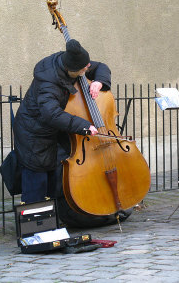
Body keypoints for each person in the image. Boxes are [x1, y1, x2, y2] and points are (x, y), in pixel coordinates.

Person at [13, 39, 111, 204]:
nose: (87, 70)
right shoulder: (48, 82)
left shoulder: (72, 63)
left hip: (53, 132)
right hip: (33, 133)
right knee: (36, 181)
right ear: (71, 70)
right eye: (83, 69)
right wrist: (84, 126)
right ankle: (33, 222)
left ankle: (52, 220)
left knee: (54, 179)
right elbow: (51, 114)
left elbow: (100, 67)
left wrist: (98, 81)